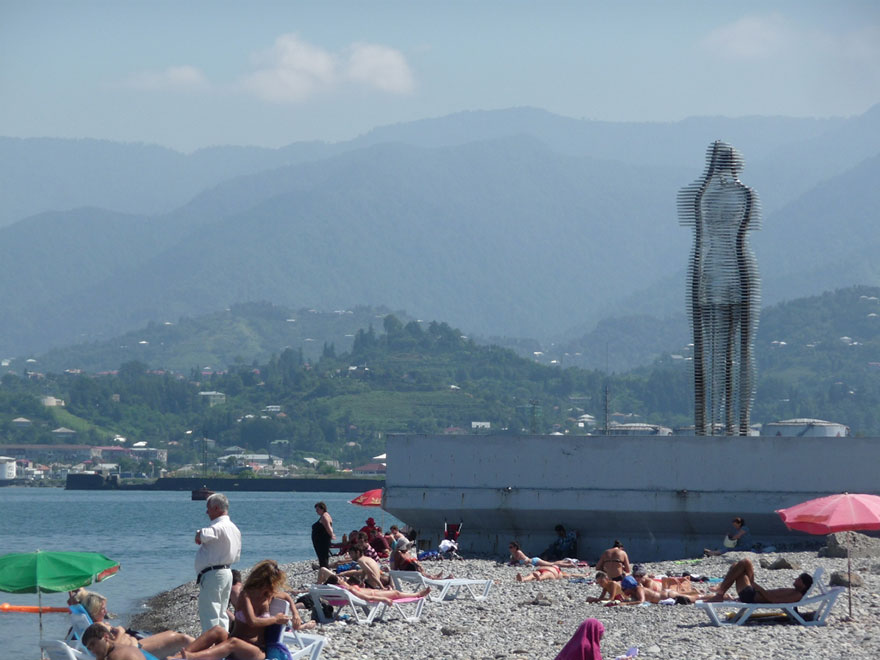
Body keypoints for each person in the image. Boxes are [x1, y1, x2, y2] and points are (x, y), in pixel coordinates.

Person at [173, 559, 312, 660]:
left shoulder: (268, 595)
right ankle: (177, 657)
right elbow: (252, 621)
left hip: (255, 651)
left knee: (233, 643)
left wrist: (296, 614)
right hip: (235, 644)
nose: (272, 588)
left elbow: (286, 596)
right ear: (262, 581)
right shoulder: (245, 595)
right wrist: (275, 619)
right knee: (217, 630)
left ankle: (190, 657)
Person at [195, 493, 242, 633]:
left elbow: (202, 535)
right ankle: (222, 641)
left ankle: (211, 643)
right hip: (227, 572)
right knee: (221, 613)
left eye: (208, 508)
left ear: (216, 508)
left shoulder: (217, 527)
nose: (207, 512)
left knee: (210, 613)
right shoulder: (234, 528)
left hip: (214, 574)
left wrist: (198, 534)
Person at [704, 558, 812, 604]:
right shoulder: (795, 592)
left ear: (803, 584)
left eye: (798, 579)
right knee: (736, 566)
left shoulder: (797, 595)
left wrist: (758, 587)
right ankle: (720, 593)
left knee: (745, 562)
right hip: (753, 594)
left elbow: (773, 600)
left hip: (750, 596)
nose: (795, 579)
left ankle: (721, 591)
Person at [612, 575, 698, 605]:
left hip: (667, 596)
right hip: (666, 594)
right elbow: (634, 600)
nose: (623, 591)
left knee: (693, 599)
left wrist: (626, 604)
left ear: (629, 587)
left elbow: (641, 601)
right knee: (689, 597)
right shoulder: (634, 591)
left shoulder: (639, 589)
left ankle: (704, 596)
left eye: (623, 589)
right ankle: (697, 593)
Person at [82, 623, 153, 660]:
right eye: (89, 648)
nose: (92, 651)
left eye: (93, 644)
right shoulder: (119, 647)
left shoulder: (114, 657)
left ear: (106, 637)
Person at [508, 541, 578, 569]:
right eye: (509, 547)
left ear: (515, 547)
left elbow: (520, 561)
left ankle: (569, 565)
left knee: (552, 564)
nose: (510, 548)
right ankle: (566, 561)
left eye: (511, 547)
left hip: (534, 561)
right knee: (551, 563)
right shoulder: (514, 553)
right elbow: (514, 561)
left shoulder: (519, 552)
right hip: (534, 562)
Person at [311, 501, 335, 569]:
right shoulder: (324, 515)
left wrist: (332, 534)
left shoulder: (324, 516)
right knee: (322, 555)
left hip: (322, 540)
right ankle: (323, 568)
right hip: (320, 540)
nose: (316, 511)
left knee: (322, 555)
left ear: (322, 509)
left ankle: (324, 569)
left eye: (317, 509)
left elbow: (328, 527)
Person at [515, 564, 583, 583]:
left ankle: (539, 578)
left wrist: (583, 575)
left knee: (546, 574)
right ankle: (522, 579)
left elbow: (572, 574)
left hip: (551, 573)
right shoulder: (552, 566)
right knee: (532, 575)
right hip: (540, 570)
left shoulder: (561, 573)